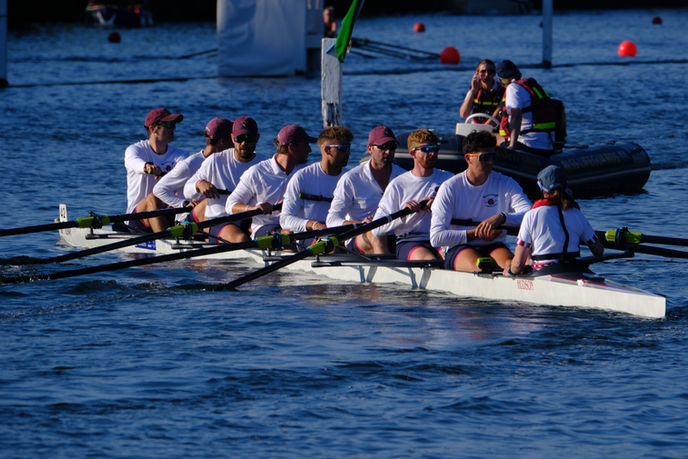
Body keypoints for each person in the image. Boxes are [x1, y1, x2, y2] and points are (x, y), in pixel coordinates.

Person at [430, 130, 531, 272]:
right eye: (485, 157)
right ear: (468, 158)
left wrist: (502, 218)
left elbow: (530, 215)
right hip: (459, 246)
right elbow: (436, 238)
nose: (490, 162)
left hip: (494, 245)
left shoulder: (506, 183)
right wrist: (476, 234)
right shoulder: (450, 187)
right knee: (480, 266)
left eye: (492, 156)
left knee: (512, 266)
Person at [372, 129, 454, 261]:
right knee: (430, 261)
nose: (432, 153)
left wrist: (439, 205)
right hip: (410, 240)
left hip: (442, 238)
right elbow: (377, 229)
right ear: (412, 153)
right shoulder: (398, 185)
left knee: (450, 259)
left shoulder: (449, 179)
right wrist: (403, 214)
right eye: (426, 149)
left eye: (435, 149)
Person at [507, 165, 604, 275]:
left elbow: (518, 264)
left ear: (541, 188)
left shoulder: (531, 215)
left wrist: (510, 271)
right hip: (576, 270)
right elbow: (599, 251)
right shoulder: (576, 213)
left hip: (544, 274)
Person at [225, 124, 316, 240]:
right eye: (306, 145)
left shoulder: (306, 172)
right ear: (292, 147)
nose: (310, 150)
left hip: (295, 226)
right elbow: (230, 205)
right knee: (287, 234)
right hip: (265, 227)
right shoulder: (257, 172)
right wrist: (254, 208)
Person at [326, 125, 405, 255]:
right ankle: (385, 265)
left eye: (392, 147)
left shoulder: (403, 177)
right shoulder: (351, 179)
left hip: (395, 235)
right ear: (369, 149)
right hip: (361, 237)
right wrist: (361, 223)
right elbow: (332, 220)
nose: (388, 152)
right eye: (383, 147)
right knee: (376, 233)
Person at [185, 116, 263, 242]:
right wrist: (199, 184)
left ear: (257, 138)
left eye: (248, 138)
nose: (244, 143)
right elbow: (187, 191)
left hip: (251, 219)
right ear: (232, 138)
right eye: (239, 138)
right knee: (240, 239)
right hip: (220, 219)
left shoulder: (264, 164)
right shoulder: (215, 161)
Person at [152, 117, 233, 228]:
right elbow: (159, 189)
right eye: (233, 138)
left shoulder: (227, 163)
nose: (236, 143)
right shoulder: (190, 164)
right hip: (187, 222)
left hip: (214, 218)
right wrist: (184, 204)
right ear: (222, 141)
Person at [280, 126, 353, 235]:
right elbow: (285, 219)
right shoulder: (302, 177)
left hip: (340, 237)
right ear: (327, 150)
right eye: (343, 149)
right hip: (309, 239)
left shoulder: (351, 179)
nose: (348, 153)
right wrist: (313, 225)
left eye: (349, 148)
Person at [124, 107, 187, 232]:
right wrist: (147, 167)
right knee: (153, 198)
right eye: (169, 125)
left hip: (168, 213)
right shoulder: (136, 150)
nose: (173, 128)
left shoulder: (181, 156)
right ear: (153, 129)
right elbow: (133, 161)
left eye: (174, 124)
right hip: (138, 219)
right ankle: (164, 239)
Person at [495, 59, 556, 156]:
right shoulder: (531, 86)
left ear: (500, 80)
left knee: (489, 137)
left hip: (527, 145)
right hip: (547, 145)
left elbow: (516, 115)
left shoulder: (512, 88)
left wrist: (512, 145)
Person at [459, 59, 504, 124]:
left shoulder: (502, 90)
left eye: (490, 71)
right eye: (483, 71)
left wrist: (485, 127)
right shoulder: (474, 89)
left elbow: (500, 112)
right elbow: (463, 114)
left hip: (495, 126)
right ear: (477, 74)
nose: (487, 74)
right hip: (476, 126)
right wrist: (473, 91)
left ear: (494, 73)